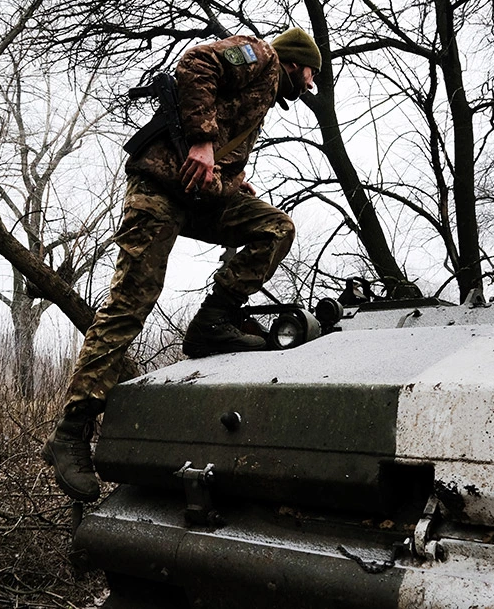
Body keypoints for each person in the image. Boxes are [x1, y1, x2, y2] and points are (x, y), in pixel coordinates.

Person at [43, 29, 322, 502]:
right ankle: (71, 431)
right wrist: (202, 142)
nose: (311, 84)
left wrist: (232, 178)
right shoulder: (264, 56)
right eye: (311, 73)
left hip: (198, 195)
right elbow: (197, 64)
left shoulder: (263, 90)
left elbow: (222, 137)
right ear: (298, 63)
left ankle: (213, 321)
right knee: (131, 301)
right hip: (159, 187)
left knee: (274, 227)